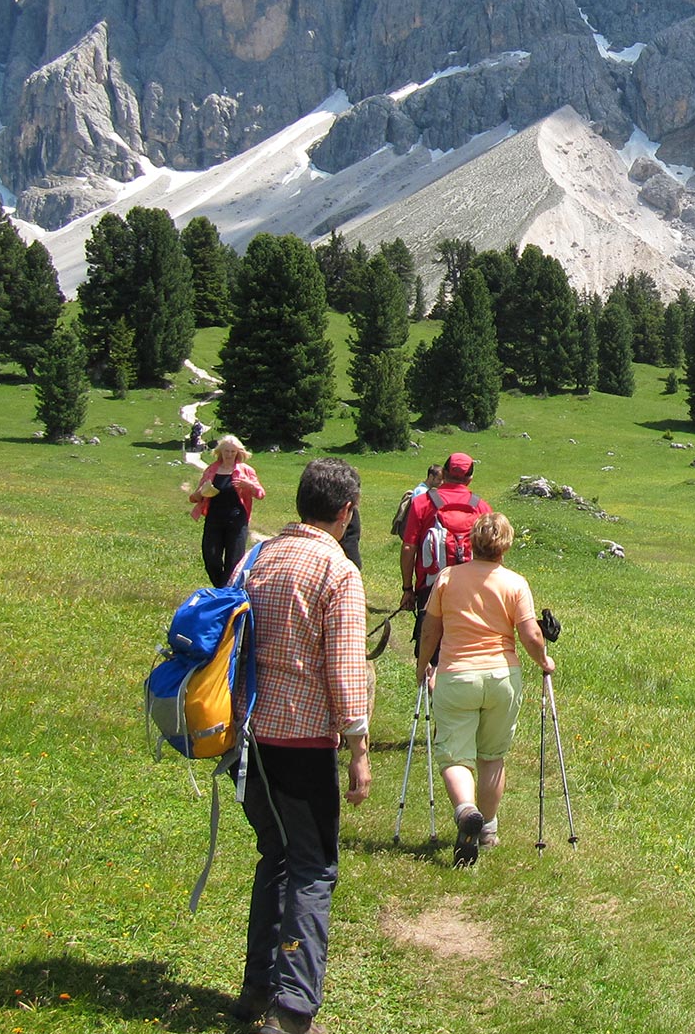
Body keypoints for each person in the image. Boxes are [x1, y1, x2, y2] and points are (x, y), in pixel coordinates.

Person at [233, 457, 372, 1034]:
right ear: (345, 512)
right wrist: (360, 745)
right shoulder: (338, 571)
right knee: (313, 868)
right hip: (305, 739)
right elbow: (344, 670)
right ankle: (292, 1011)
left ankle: (255, 988)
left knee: (275, 855)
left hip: (248, 737)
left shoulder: (257, 557)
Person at [415, 511, 552, 867]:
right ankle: (488, 828)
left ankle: (465, 810)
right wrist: (543, 661)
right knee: (492, 756)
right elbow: (530, 634)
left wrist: (422, 666)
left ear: (471, 542)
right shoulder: (515, 583)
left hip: (457, 674)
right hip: (502, 675)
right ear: (505, 546)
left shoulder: (447, 578)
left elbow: (430, 629)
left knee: (454, 755)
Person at [398, 452, 491, 651]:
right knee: (463, 648)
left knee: (429, 648)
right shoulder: (481, 507)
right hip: (470, 590)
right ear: (470, 478)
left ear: (445, 473)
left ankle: (428, 678)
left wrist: (408, 589)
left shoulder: (422, 502)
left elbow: (409, 547)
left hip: (430, 586)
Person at [189, 434, 266, 587]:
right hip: (213, 520)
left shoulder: (246, 471)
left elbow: (260, 494)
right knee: (211, 558)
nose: (229, 455)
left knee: (234, 562)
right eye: (226, 451)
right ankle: (221, 587)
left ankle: (227, 593)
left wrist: (248, 485)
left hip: (237, 521)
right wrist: (201, 493)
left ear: (238, 452)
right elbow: (194, 498)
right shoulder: (211, 470)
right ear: (220, 452)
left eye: (232, 451)